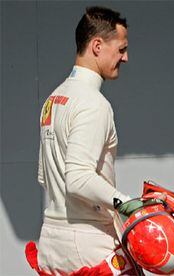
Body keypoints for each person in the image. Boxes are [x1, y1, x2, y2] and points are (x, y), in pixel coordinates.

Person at [36, 6, 133, 274]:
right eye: (121, 49)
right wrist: (128, 204)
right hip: (89, 241)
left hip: (52, 241)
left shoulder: (53, 99)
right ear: (97, 45)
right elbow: (77, 178)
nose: (125, 58)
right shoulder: (94, 104)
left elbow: (46, 177)